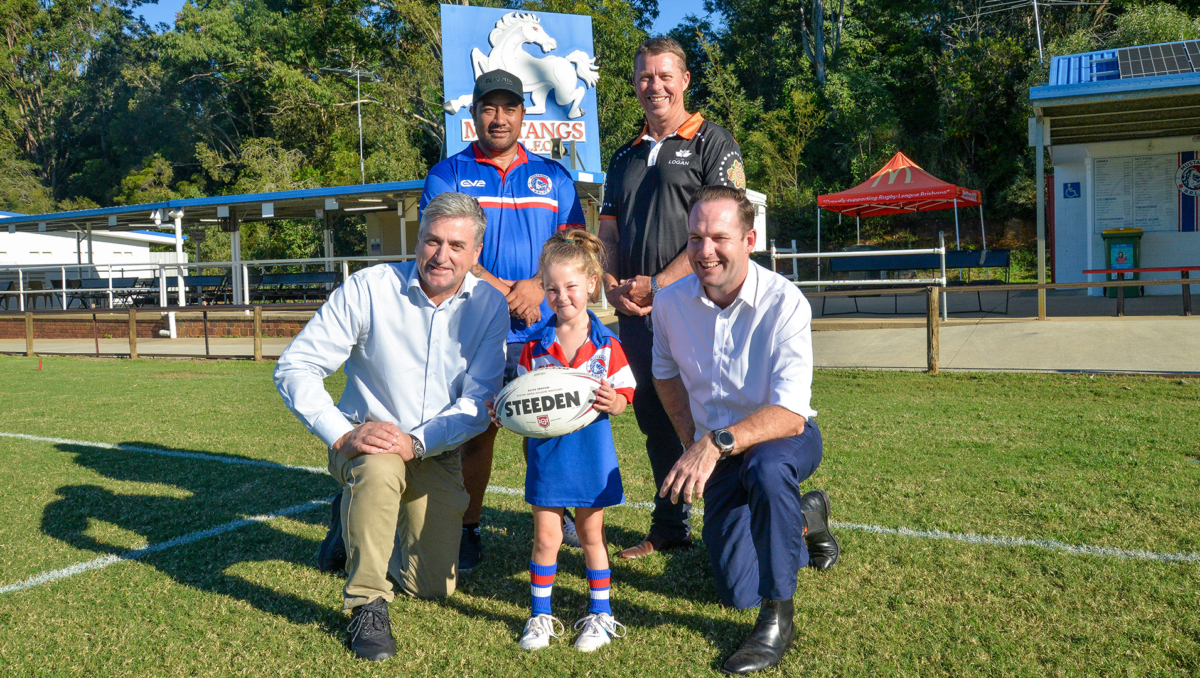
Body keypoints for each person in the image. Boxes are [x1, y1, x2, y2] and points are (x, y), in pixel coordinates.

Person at [274, 192, 509, 662]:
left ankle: (354, 522)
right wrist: (341, 433)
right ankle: (367, 603)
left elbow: (478, 400)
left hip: (432, 450)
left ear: (476, 253)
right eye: (431, 241)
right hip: (366, 439)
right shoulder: (368, 288)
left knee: (432, 586)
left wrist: (418, 442)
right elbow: (295, 367)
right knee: (379, 470)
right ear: (417, 239)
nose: (441, 256)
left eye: (456, 246)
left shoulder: (489, 305)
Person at [651, 186, 840, 675]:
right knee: (736, 589)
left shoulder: (784, 302)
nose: (705, 250)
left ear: (749, 238)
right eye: (695, 238)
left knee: (767, 465)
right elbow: (665, 374)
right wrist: (693, 438)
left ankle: (778, 616)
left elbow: (792, 413)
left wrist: (713, 444)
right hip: (719, 450)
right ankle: (804, 517)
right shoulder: (669, 303)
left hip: (781, 440)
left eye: (719, 237)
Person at [423, 68, 589, 571]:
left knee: (555, 426)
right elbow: (442, 245)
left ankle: (560, 522)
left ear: (523, 114)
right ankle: (468, 527)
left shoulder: (553, 176)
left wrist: (538, 286)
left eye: (509, 108)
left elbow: (576, 244)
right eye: (489, 108)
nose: (499, 118)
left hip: (544, 325)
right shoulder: (448, 174)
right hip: (476, 324)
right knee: (479, 431)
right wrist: (504, 291)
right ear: (473, 115)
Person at [598, 37, 748, 560]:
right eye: (644, 75)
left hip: (700, 309)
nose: (653, 85)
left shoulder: (713, 142)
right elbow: (608, 235)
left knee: (721, 412)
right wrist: (612, 285)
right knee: (657, 420)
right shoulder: (624, 155)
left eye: (664, 75)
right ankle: (670, 527)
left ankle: (776, 511)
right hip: (638, 314)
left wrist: (660, 284)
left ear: (684, 80)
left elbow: (722, 228)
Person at [497, 230, 636, 652]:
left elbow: (625, 398)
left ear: (592, 284)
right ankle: (540, 616)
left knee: (593, 537)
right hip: (548, 457)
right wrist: (504, 413)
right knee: (546, 539)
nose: (562, 297)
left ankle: (602, 615)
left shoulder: (608, 345)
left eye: (571, 287)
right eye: (552, 288)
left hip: (592, 456)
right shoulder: (534, 348)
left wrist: (615, 401)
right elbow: (521, 405)